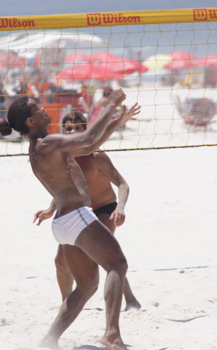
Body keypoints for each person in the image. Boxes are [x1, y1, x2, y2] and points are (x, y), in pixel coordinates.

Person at [0, 90, 140, 350]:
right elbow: (87, 136)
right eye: (36, 108)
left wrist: (117, 120)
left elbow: (89, 146)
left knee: (86, 286)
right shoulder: (45, 143)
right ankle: (112, 335)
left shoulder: (40, 146)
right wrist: (111, 105)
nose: (42, 109)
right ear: (30, 121)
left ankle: (49, 341)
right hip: (76, 217)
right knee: (117, 264)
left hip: (64, 222)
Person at [34, 111, 141, 311]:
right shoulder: (63, 157)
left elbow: (123, 185)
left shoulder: (97, 156)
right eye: (68, 128)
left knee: (106, 256)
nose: (72, 131)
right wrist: (50, 209)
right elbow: (64, 189)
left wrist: (121, 207)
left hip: (105, 209)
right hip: (79, 211)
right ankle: (67, 302)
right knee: (60, 261)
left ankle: (131, 299)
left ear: (85, 131)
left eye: (77, 128)